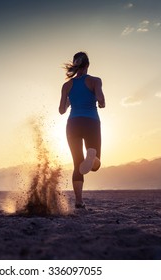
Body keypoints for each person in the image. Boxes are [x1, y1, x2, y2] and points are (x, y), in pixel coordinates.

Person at [59, 51, 105, 209]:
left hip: (73, 124)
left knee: (77, 164)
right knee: (95, 165)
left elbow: (61, 110)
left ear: (74, 65)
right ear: (88, 65)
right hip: (91, 122)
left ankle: (78, 201)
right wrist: (99, 102)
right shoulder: (95, 81)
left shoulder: (67, 85)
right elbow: (102, 101)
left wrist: (70, 102)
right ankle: (92, 156)